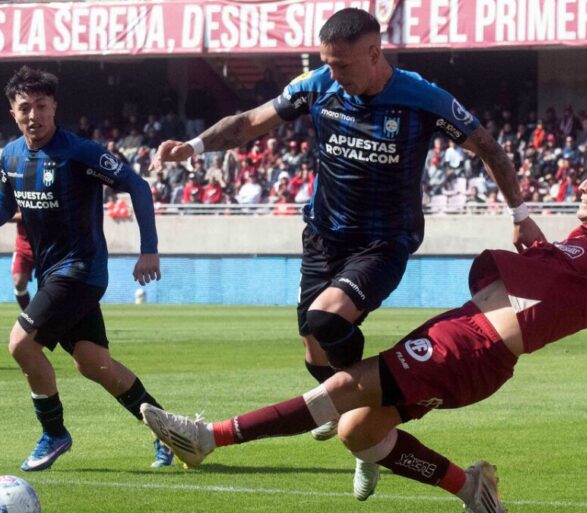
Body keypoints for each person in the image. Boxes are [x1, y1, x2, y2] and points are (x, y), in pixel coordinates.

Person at [141, 142, 587, 513]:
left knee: (346, 389)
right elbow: (559, 285)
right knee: (358, 431)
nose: (584, 185)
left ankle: (208, 437)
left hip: (472, 344)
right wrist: (530, 237)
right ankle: (470, 487)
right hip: (471, 343)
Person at [150, 8, 544, 441]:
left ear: (374, 52)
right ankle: (365, 425)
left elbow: (488, 148)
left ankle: (368, 406)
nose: (333, 74)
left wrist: (520, 215)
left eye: (342, 65)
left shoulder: (422, 98)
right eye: (327, 63)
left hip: (384, 241)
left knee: (326, 320)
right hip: (323, 236)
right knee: (313, 344)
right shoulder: (317, 85)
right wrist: (193, 146)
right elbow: (248, 124)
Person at [0, 66, 173, 471]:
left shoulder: (80, 152)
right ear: (12, 112)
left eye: (41, 106)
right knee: (94, 363)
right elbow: (2, 209)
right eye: (24, 108)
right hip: (52, 274)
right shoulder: (11, 156)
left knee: (21, 344)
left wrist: (150, 250)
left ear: (54, 107)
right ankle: (167, 432)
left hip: (81, 271)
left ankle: (54, 433)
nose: (33, 115)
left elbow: (137, 186)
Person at [7, 210, 34, 310]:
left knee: (48, 284)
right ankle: (28, 315)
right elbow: (5, 212)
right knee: (18, 283)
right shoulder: (17, 195)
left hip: (46, 247)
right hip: (23, 248)